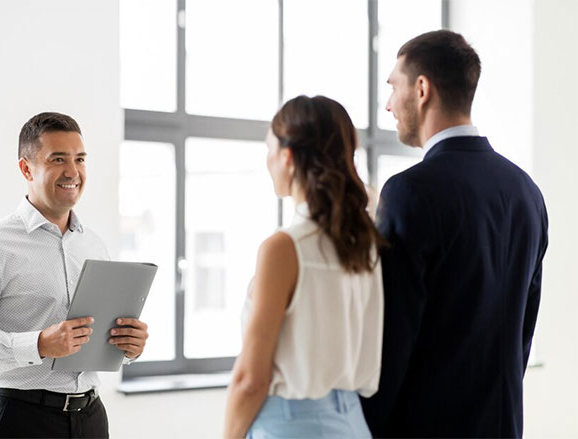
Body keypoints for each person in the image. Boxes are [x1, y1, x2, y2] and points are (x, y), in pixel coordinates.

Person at [360, 30, 548, 438]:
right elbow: (522, 335)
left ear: (422, 89)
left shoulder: (409, 191)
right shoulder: (526, 192)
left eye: (394, 87)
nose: (389, 104)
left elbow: (391, 339)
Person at [0, 112, 149, 438]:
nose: (73, 171)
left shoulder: (94, 244)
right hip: (19, 420)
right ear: (26, 168)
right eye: (58, 159)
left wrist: (129, 346)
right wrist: (37, 344)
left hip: (91, 418)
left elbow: (95, 335)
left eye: (80, 159)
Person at [224, 95, 385, 438]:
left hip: (290, 425)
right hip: (353, 424)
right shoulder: (364, 243)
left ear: (288, 156)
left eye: (269, 148)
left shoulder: (283, 248)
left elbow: (251, 380)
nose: (267, 160)